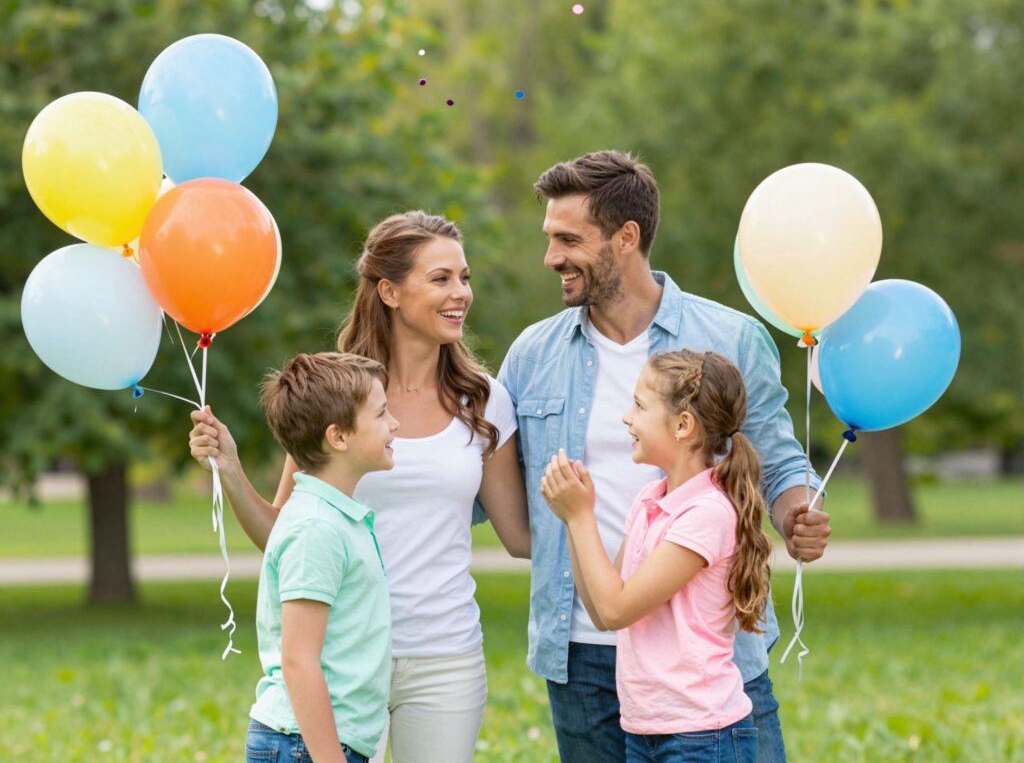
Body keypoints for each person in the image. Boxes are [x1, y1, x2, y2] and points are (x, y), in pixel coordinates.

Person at [497, 150, 832, 762]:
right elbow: (488, 481)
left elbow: (780, 464)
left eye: (568, 239)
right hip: (584, 654)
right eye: (549, 238)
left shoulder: (731, 339)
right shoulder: (531, 354)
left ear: (626, 237)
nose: (551, 258)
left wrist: (797, 513)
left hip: (707, 655)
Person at [189, 211, 530, 763]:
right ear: (389, 291)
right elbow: (284, 531)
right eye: (440, 278)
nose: (461, 293)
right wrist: (229, 469)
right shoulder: (341, 396)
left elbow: (520, 534)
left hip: (443, 656)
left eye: (464, 277)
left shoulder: (484, 400)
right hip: (340, 657)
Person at [541, 350, 773, 762]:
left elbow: (615, 610)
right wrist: (571, 517)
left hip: (702, 736)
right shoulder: (651, 500)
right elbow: (601, 607)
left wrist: (580, 518)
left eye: (640, 405)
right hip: (647, 729)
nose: (627, 417)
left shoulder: (707, 514)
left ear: (683, 425)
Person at [245, 351, 398, 763]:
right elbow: (299, 660)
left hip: (315, 743)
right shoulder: (316, 527)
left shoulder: (335, 516)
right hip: (304, 746)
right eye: (381, 414)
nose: (394, 424)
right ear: (339, 437)